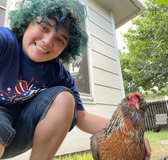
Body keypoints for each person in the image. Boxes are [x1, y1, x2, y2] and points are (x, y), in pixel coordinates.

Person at [0, 0, 151, 159]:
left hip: (21, 131)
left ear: (66, 48)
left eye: (60, 40)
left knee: (65, 98)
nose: (47, 41)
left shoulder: (59, 75)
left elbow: (83, 119)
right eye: (44, 27)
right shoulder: (6, 42)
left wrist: (133, 132)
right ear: (27, 22)